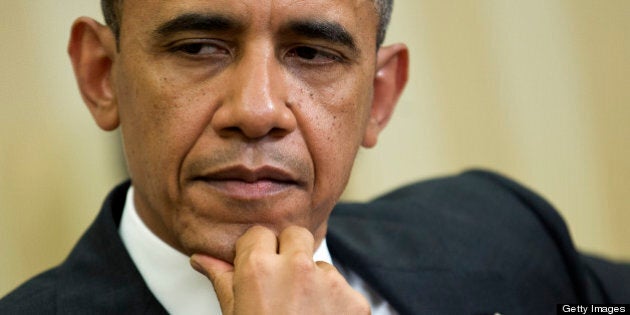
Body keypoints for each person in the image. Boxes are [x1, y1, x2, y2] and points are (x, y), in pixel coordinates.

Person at [1, 0, 628, 314]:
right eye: (198, 47)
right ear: (102, 74)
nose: (257, 109)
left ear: (378, 98)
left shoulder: (502, 235)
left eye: (313, 54)